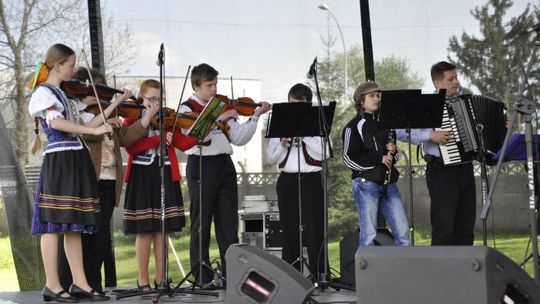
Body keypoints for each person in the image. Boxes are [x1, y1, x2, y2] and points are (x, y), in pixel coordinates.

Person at [28, 43, 115, 302]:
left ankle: (80, 282)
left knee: (73, 225)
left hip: (74, 158)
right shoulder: (44, 93)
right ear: (58, 65)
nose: (74, 69)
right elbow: (56, 123)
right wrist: (94, 132)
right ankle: (52, 284)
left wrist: (114, 106)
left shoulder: (63, 94)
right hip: (60, 160)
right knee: (53, 223)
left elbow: (83, 124)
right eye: (71, 65)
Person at [57, 67, 149, 294]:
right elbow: (86, 133)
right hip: (87, 181)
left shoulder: (105, 112)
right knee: (82, 234)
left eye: (100, 88)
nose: (96, 94)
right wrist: (110, 112)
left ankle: (94, 285)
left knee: (100, 235)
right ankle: (72, 283)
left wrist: (146, 118)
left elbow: (126, 138)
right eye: (91, 88)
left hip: (109, 180)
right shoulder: (76, 112)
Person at [178, 63, 271, 287]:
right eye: (209, 85)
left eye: (215, 84)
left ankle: (232, 275)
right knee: (201, 223)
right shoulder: (185, 108)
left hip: (224, 165)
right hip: (201, 165)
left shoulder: (220, 106)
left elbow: (238, 138)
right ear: (196, 85)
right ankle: (202, 277)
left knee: (228, 223)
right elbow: (190, 138)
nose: (214, 89)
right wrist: (215, 118)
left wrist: (256, 116)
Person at [122, 79, 198, 291]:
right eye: (151, 99)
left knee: (162, 231)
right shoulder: (132, 118)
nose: (155, 104)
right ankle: (143, 279)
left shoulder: (168, 118)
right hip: (142, 175)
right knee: (144, 230)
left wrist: (201, 130)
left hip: (164, 173)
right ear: (141, 98)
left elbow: (182, 143)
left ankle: (161, 279)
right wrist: (158, 138)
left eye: (159, 99)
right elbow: (131, 147)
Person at [396, 61, 476, 246]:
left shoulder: (465, 102)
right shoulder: (426, 104)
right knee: (444, 225)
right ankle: (441, 272)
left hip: (465, 169)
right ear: (437, 83)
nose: (456, 82)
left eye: (456, 77)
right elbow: (401, 131)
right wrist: (429, 134)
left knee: (466, 225)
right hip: (441, 171)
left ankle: (464, 271)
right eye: (451, 79)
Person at [266, 83, 329, 280]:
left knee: (315, 227)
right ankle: (291, 274)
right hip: (288, 180)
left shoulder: (318, 121)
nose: (295, 109)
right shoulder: (279, 121)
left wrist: (305, 135)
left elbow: (327, 152)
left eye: (300, 105)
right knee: (289, 228)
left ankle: (320, 274)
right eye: (292, 104)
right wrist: (284, 145)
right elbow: (270, 158)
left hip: (311, 180)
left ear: (308, 104)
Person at [342, 81, 410, 247]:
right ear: (361, 101)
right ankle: (367, 273)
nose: (377, 99)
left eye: (378, 96)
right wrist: (377, 160)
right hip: (366, 184)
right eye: (372, 96)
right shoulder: (353, 126)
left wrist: (393, 152)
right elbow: (348, 158)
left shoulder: (387, 125)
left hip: (389, 184)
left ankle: (405, 271)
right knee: (369, 235)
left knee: (403, 232)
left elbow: (394, 156)